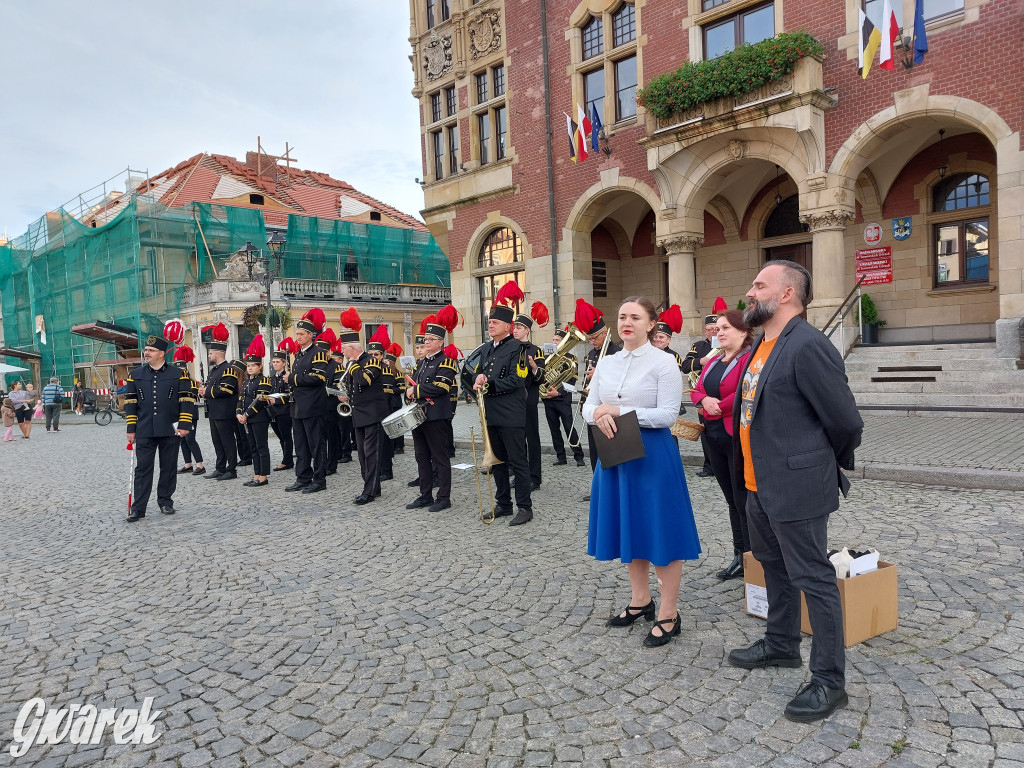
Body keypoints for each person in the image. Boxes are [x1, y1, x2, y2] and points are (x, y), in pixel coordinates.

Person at [726, 260, 863, 723]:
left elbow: (846, 421)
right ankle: (781, 645)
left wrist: (818, 466)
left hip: (797, 485)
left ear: (786, 294)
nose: (750, 291)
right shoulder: (760, 346)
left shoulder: (807, 345)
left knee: (814, 579)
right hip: (756, 485)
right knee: (773, 568)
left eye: (759, 284)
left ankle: (829, 681)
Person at [584, 296, 702, 648]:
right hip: (615, 453)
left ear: (651, 324)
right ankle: (640, 600)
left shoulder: (664, 363)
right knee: (630, 529)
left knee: (660, 532)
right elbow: (590, 406)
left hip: (653, 457)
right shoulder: (607, 362)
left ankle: (669, 612)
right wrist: (600, 415)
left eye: (635, 317)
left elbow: (667, 415)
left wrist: (618, 409)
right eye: (622, 317)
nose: (627, 322)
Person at [690, 309, 754, 580]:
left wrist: (718, 406)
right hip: (712, 434)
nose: (720, 332)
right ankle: (739, 555)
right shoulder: (715, 359)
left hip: (735, 436)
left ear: (743, 331)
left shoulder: (749, 358)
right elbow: (696, 388)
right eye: (718, 328)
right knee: (730, 498)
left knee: (743, 499)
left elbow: (745, 390)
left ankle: (753, 558)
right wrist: (704, 402)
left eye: (726, 327)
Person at [471, 283, 533, 526]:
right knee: (496, 461)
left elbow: (518, 379)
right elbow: (479, 373)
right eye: (489, 322)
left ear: (508, 326)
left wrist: (490, 384)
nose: (491, 325)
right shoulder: (486, 349)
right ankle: (504, 504)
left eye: (495, 322)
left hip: (510, 414)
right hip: (491, 415)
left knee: (518, 462)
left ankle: (525, 508)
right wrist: (478, 379)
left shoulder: (519, 347)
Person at [124, 326, 195, 522]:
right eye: (145, 349)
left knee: (169, 466)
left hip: (170, 429)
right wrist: (131, 428)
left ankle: (165, 501)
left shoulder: (178, 373)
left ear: (162, 353)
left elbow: (187, 400)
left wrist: (185, 424)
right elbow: (130, 403)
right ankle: (139, 508)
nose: (146, 353)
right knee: (143, 468)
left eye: (151, 350)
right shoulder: (135, 374)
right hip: (144, 428)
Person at [405, 316, 459, 513]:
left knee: (440, 458)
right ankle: (425, 495)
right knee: (421, 457)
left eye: (430, 339)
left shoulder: (446, 362)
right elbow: (412, 385)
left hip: (436, 417)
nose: (425, 342)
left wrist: (416, 391)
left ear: (440, 342)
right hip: (419, 416)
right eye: (425, 339)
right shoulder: (421, 364)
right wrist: (408, 393)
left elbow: (441, 386)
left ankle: (444, 497)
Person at [339, 308, 389, 504]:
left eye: (344, 348)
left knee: (372, 454)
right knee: (362, 454)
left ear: (352, 348)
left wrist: (352, 364)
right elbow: (355, 388)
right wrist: (346, 398)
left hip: (374, 414)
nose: (342, 351)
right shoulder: (353, 364)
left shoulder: (371, 362)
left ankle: (369, 491)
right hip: (359, 413)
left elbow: (364, 380)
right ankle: (372, 487)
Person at [286, 308, 331, 494]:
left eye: (301, 334)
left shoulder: (318, 352)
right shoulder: (298, 355)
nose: (298, 337)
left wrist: (291, 379)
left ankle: (319, 479)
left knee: (316, 444)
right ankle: (303, 477)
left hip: (312, 406)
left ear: (311, 335)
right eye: (297, 334)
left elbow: (319, 377)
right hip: (297, 406)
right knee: (301, 445)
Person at [574, 299, 622, 474]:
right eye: (589, 339)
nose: (592, 341)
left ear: (604, 333)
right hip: (593, 407)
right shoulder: (592, 353)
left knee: (608, 451)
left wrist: (600, 375)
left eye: (594, 338)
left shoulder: (616, 352)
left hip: (609, 409)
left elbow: (621, 380)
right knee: (594, 451)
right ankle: (597, 485)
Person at [682, 302, 726, 477]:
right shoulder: (699, 346)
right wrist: (701, 362)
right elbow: (685, 366)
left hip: (722, 394)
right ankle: (709, 466)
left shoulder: (726, 345)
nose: (714, 332)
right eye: (710, 329)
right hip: (703, 395)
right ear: (705, 330)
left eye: (717, 328)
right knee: (706, 432)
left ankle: (724, 466)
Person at [511, 303, 547, 491]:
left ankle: (535, 477)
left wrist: (534, 367)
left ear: (526, 330)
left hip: (529, 400)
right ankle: (520, 475)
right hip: (512, 401)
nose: (515, 330)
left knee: (532, 439)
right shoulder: (509, 348)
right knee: (517, 441)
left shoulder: (536, 350)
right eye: (514, 327)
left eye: (518, 327)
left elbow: (542, 377)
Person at [197, 323, 239, 481]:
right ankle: (220, 467)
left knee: (228, 441)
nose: (209, 356)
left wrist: (207, 391)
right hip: (214, 411)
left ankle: (231, 469)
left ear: (218, 354)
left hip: (224, 411)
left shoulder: (228, 369)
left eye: (211, 353)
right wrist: (203, 391)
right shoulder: (214, 370)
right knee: (217, 441)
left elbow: (226, 390)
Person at [541, 325, 585, 467]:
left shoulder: (572, 359)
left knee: (569, 427)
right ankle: (561, 456)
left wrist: (558, 392)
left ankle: (579, 456)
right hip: (548, 399)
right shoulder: (546, 358)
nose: (554, 342)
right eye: (553, 339)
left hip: (563, 399)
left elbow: (572, 385)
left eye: (557, 340)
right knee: (554, 430)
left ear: (564, 342)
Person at [237, 335, 273, 488]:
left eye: (253, 365)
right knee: (252, 447)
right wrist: (238, 413)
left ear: (260, 367)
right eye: (248, 365)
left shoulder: (264, 380)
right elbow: (241, 399)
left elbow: (259, 401)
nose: (250, 367)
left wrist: (246, 414)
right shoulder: (246, 382)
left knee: (261, 446)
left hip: (259, 418)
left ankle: (263, 476)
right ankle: (256, 474)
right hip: (247, 419)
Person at [367, 325, 396, 482]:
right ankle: (378, 469)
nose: (372, 357)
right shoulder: (368, 367)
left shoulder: (384, 368)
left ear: (382, 355)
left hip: (384, 408)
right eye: (370, 354)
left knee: (385, 442)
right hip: (371, 410)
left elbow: (387, 392)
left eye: (376, 354)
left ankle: (387, 470)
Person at [172, 345, 206, 475]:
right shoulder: (174, 383)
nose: (180, 372)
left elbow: (191, 398)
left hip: (190, 413)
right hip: (178, 415)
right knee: (182, 440)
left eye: (182, 370)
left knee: (190, 439)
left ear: (186, 370)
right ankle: (188, 464)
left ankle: (200, 465)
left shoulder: (191, 383)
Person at [269, 339, 296, 471]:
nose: (275, 364)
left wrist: (278, 401)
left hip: (285, 410)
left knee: (286, 436)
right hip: (274, 411)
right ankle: (286, 458)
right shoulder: (272, 378)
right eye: (273, 362)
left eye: (277, 362)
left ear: (284, 363)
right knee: (280, 437)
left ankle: (287, 460)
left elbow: (290, 394)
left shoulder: (287, 377)